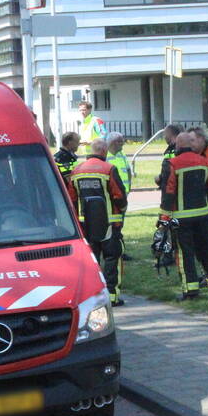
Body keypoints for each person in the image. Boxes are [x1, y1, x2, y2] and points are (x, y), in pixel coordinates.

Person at [160, 132, 208, 301]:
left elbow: (169, 192)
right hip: (203, 215)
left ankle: (191, 290)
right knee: (207, 249)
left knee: (184, 253)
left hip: (181, 218)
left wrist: (164, 217)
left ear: (178, 145)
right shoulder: (204, 162)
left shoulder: (173, 164)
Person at [67, 139, 128, 307]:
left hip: (86, 224)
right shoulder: (108, 169)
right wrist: (122, 209)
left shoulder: (77, 171)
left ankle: (93, 297)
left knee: (91, 262)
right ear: (104, 151)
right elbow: (119, 195)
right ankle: (113, 296)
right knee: (112, 258)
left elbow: (71, 199)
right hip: (109, 223)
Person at [106, 131, 135, 261]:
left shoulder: (121, 154)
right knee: (113, 225)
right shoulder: (105, 156)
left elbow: (127, 170)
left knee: (120, 224)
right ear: (113, 143)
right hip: (112, 197)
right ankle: (115, 251)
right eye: (121, 141)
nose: (123, 144)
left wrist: (128, 188)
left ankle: (120, 250)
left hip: (122, 195)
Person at [154, 124, 183, 191]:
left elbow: (171, 169)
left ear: (170, 134)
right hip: (167, 186)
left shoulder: (178, 149)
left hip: (173, 188)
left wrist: (160, 178)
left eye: (165, 134)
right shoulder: (169, 149)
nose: (164, 137)